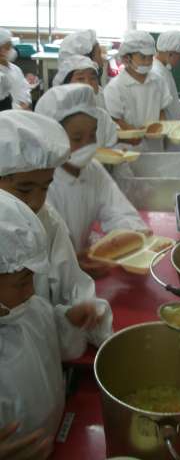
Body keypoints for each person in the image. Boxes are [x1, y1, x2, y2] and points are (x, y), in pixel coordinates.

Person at [0, 190, 106, 454]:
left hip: (53, 439)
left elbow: (49, 342)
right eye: (21, 283)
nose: (31, 292)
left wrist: (68, 321)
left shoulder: (28, 308)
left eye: (32, 279)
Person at [0, 110, 113, 345]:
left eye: (45, 188)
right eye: (24, 189)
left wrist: (79, 314)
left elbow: (72, 285)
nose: (35, 201)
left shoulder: (47, 221)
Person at [35, 84, 150, 260]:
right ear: (52, 138)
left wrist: (134, 232)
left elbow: (118, 211)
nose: (87, 145)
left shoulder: (93, 170)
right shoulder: (41, 183)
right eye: (77, 138)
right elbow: (48, 248)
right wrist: (74, 262)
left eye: (92, 135)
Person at [153, 30, 180, 120]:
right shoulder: (157, 73)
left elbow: (171, 98)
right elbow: (159, 111)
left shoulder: (164, 69)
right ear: (170, 54)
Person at [0, 28, 32, 110]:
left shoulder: (15, 69)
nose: (3, 51)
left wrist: (25, 104)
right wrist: (19, 109)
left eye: (7, 47)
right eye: (0, 48)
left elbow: (25, 89)